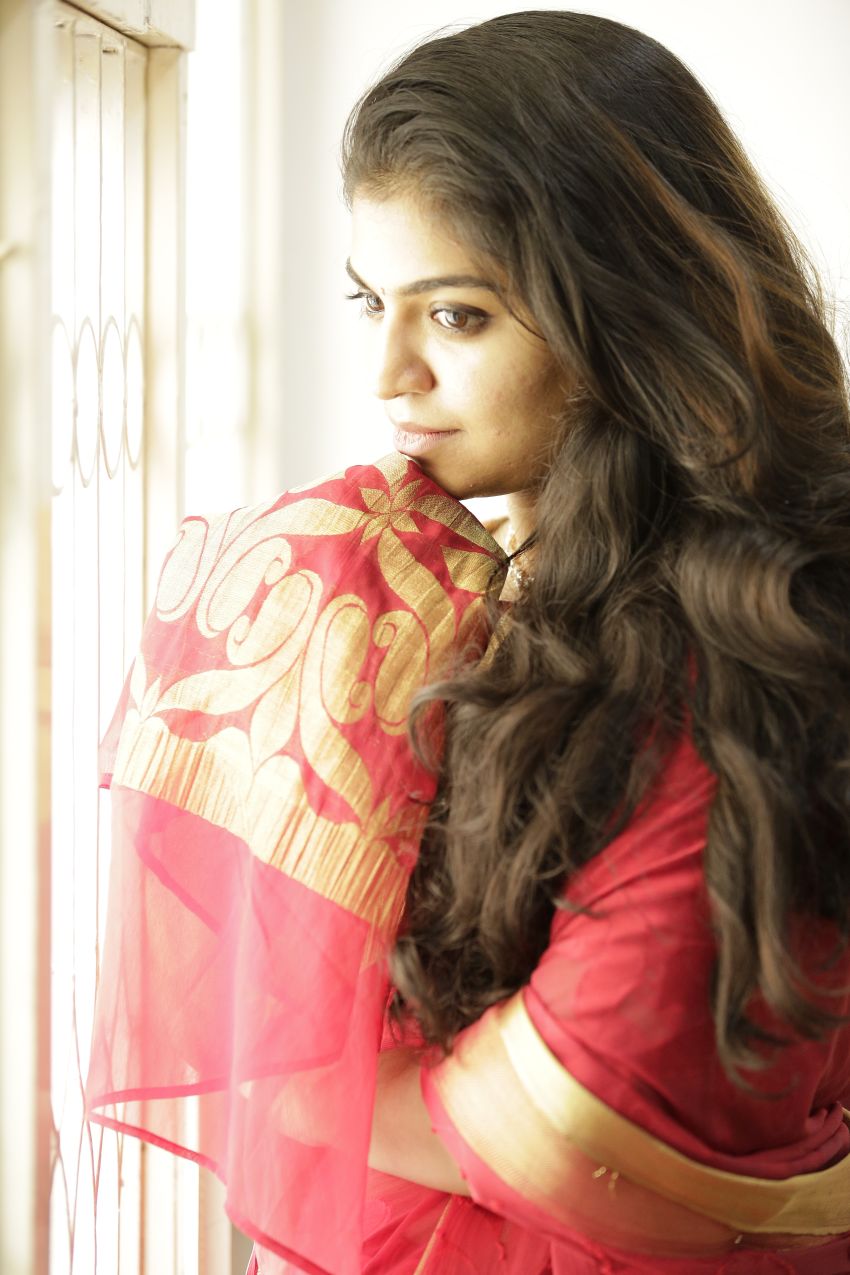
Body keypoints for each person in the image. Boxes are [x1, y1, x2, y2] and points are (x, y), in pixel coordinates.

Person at [85, 10, 850, 1274]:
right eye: (370, 302)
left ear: (625, 308)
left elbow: (588, 1117)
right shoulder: (487, 576)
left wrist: (287, 1080)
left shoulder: (729, 645)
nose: (388, 374)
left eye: (456, 316)